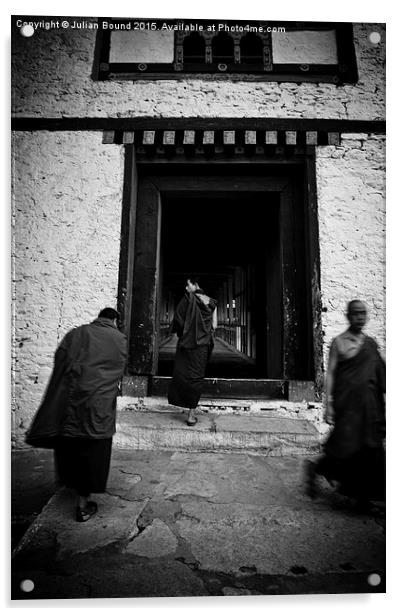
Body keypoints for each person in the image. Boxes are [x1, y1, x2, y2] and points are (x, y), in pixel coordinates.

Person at [25, 308, 127, 522]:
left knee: (72, 445)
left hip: (72, 404)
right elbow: (118, 371)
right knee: (92, 451)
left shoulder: (76, 334)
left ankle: (69, 484)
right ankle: (82, 506)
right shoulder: (119, 340)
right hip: (99, 407)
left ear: (99, 317)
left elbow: (60, 361)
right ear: (114, 320)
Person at [305, 300, 385, 511]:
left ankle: (363, 499)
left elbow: (381, 375)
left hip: (369, 408)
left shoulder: (370, 345)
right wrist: (328, 405)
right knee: (343, 448)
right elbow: (330, 373)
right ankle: (317, 469)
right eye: (356, 313)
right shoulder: (339, 343)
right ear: (348, 316)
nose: (360, 317)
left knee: (370, 452)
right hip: (348, 407)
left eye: (363, 313)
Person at [168, 277, 217, 426]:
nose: (186, 288)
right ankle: (191, 415)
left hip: (187, 344)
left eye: (188, 284)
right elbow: (214, 325)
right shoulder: (211, 302)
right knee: (196, 376)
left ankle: (182, 404)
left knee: (183, 373)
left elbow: (178, 321)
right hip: (202, 346)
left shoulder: (186, 300)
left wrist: (187, 332)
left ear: (195, 285)